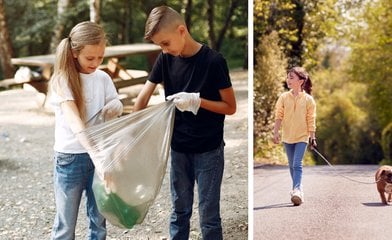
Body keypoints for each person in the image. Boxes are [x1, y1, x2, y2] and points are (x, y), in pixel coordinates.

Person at [134, 6, 236, 240]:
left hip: (209, 151)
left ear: (182, 31)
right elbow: (142, 98)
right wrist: (131, 130)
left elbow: (230, 107)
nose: (164, 49)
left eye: (166, 43)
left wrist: (198, 101)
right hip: (179, 148)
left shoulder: (214, 62)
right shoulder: (165, 59)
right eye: (160, 45)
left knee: (209, 216)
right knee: (179, 211)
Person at [49, 21, 123, 239]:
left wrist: (115, 107)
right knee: (65, 224)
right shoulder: (62, 80)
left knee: (99, 220)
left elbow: (116, 103)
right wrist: (98, 158)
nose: (96, 63)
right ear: (74, 53)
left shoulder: (103, 78)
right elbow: (75, 123)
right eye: (90, 58)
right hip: (70, 159)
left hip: (98, 156)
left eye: (100, 57)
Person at [273, 66, 317, 206]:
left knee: (297, 164)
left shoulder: (309, 100)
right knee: (291, 165)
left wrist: (312, 136)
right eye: (288, 77)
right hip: (287, 136)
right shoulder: (283, 97)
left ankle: (297, 189)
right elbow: (278, 116)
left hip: (302, 137)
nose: (288, 80)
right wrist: (276, 132)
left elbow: (311, 119)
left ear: (301, 81)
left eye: (292, 77)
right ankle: (298, 190)